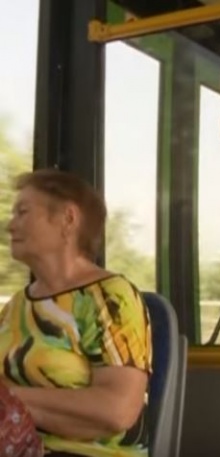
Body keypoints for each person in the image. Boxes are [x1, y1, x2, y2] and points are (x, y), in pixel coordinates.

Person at [0, 169, 152, 457]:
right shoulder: (16, 306)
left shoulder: (110, 298)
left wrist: (13, 401)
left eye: (23, 212)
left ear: (68, 219)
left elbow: (118, 410)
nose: (10, 225)